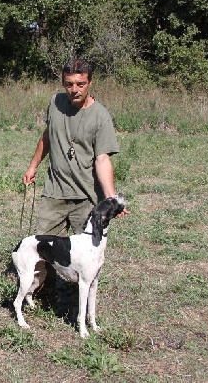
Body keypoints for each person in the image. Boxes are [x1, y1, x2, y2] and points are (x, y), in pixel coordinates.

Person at [21, 58, 128, 312]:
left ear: (90, 83)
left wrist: (111, 198)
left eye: (81, 83)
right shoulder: (55, 103)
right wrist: (33, 165)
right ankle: (44, 299)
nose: (75, 89)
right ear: (63, 84)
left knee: (88, 254)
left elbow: (102, 159)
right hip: (54, 192)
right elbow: (47, 135)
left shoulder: (100, 115)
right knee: (43, 250)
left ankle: (80, 305)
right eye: (69, 84)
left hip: (87, 198)